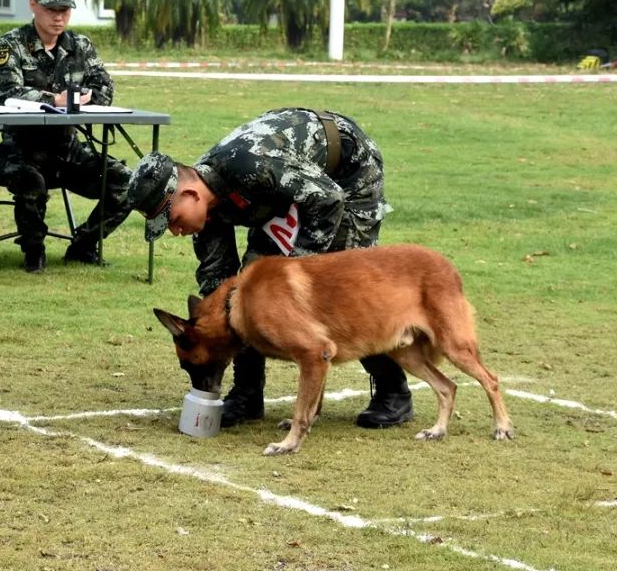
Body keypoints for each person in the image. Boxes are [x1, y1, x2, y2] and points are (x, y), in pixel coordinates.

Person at [125, 108, 411, 429]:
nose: (176, 232)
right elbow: (223, 295)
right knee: (249, 297)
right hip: (289, 195)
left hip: (346, 173)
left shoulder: (250, 165)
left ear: (191, 194)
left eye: (174, 221)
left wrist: (297, 275)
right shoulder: (204, 216)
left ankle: (393, 391)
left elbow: (328, 198)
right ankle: (247, 395)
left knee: (341, 292)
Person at [0, 0, 132, 274]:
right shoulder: (11, 45)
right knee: (32, 182)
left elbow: (105, 87)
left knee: (125, 182)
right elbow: (8, 92)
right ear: (33, 6)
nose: (58, 17)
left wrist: (86, 97)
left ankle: (83, 245)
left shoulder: (80, 46)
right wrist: (54, 99)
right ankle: (33, 250)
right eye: (51, 10)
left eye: (64, 10)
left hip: (67, 148)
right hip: (21, 149)